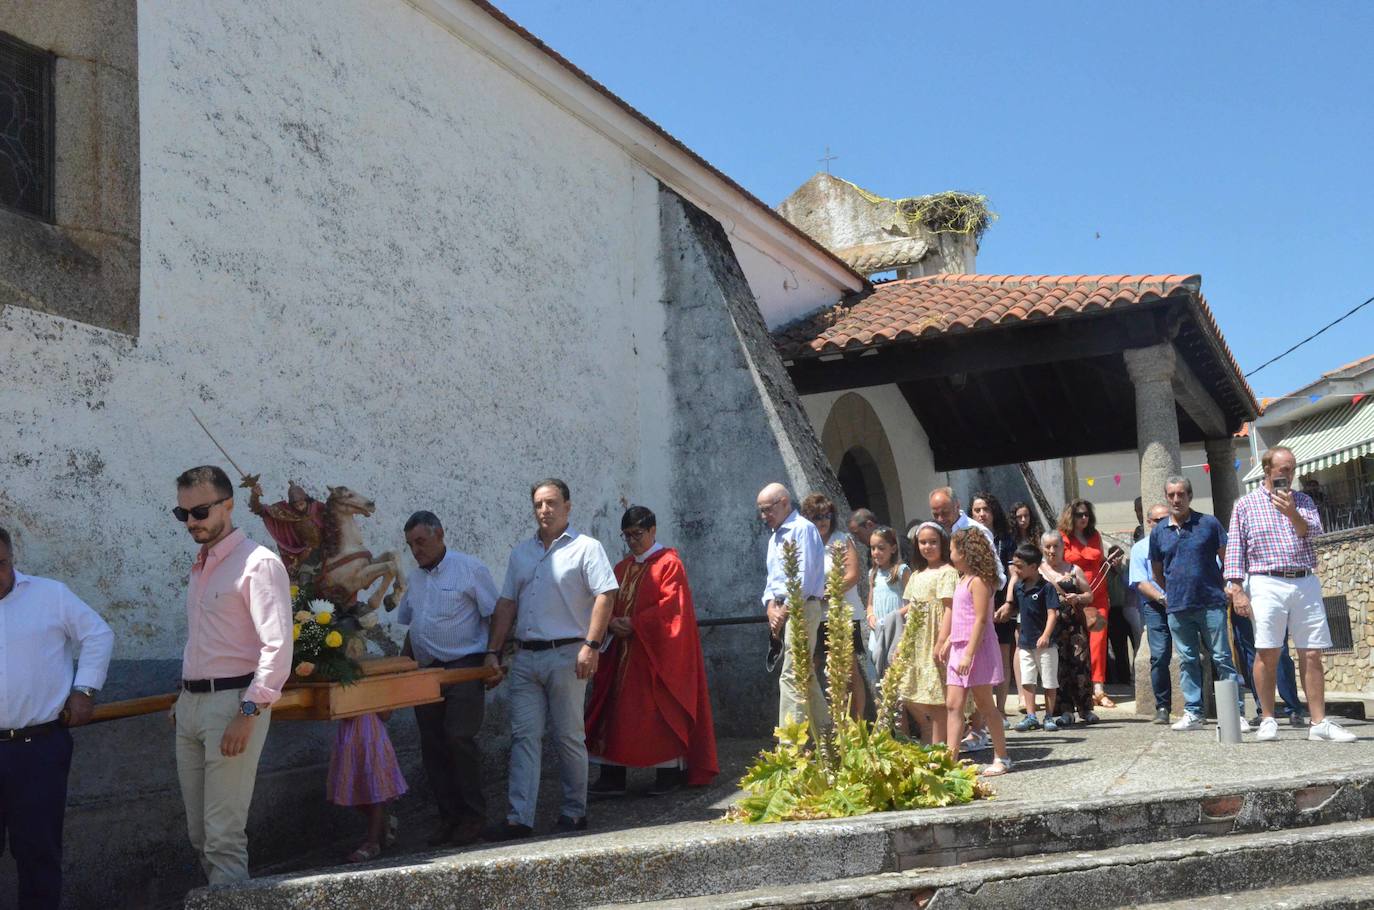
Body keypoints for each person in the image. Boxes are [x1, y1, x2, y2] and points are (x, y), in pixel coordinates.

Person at [172, 465, 293, 884]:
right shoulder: (202, 563)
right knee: (199, 835)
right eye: (182, 514)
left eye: (200, 511)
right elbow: (207, 639)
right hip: (191, 707)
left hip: (233, 705)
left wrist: (248, 711)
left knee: (223, 837)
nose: (191, 522)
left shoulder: (259, 564)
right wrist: (183, 698)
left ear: (229, 504)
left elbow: (277, 648)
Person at [482, 479, 618, 839]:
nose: (545, 510)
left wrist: (592, 644)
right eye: (539, 504)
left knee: (569, 736)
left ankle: (575, 811)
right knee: (524, 736)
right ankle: (519, 818)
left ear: (568, 507)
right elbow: (507, 603)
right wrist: (492, 652)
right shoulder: (521, 554)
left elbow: (606, 594)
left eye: (552, 503)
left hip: (568, 653)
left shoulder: (587, 548)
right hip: (526, 657)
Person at [0, 526, 114, 909]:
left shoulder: (50, 595)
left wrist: (84, 690)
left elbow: (98, 634)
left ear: (12, 560)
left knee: (38, 855)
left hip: (38, 749)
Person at [586, 506, 719, 796]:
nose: (633, 540)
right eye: (627, 535)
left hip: (656, 657)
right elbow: (606, 601)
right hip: (621, 656)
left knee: (658, 711)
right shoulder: (621, 568)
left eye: (638, 533)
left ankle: (668, 774)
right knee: (615, 713)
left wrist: (634, 623)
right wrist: (610, 623)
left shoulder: (669, 564)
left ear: (653, 530)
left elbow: (672, 610)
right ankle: (612, 775)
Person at [1226, 447, 1356, 743]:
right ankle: (1269, 718)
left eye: (1292, 468)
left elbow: (1313, 535)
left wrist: (1292, 512)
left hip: (1304, 579)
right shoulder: (1245, 505)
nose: (1289, 474)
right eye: (1283, 469)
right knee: (1268, 650)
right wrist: (1236, 590)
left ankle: (1319, 722)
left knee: (1312, 651)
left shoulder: (1304, 501)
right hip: (1265, 581)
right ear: (1267, 470)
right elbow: (1235, 551)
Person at [394, 510, 498, 847]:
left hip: (464, 667)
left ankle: (473, 816)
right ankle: (448, 818)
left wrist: (495, 656)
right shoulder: (416, 578)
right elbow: (414, 628)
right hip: (427, 673)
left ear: (440, 534)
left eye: (421, 541)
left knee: (458, 738)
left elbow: (494, 614)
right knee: (432, 747)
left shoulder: (469, 568)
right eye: (411, 544)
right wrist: (401, 670)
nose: (416, 550)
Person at [1149, 476, 1244, 733]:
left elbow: (1227, 558)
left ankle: (1236, 713)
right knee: (1187, 660)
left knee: (1222, 657)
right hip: (1178, 607)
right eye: (1171, 495)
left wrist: (1228, 586)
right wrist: (1174, 591)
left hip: (1211, 602)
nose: (1176, 499)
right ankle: (1193, 712)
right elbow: (1158, 571)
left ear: (1190, 496)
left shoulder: (1209, 523)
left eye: (1181, 494)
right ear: (1166, 498)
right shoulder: (1158, 532)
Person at [758, 483, 828, 731]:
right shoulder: (775, 536)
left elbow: (804, 578)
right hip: (783, 609)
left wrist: (784, 610)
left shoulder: (803, 529)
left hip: (801, 608)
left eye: (768, 509)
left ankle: (790, 743)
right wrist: (770, 607)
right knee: (804, 674)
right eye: (761, 511)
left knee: (792, 675)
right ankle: (826, 734)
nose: (764, 516)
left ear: (785, 502)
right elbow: (772, 580)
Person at [942, 529, 1011, 776]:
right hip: (960, 647)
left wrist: (969, 654)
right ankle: (950, 759)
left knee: (984, 704)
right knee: (953, 704)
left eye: (952, 549)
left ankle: (1002, 756)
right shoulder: (962, 579)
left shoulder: (979, 581)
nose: (949, 553)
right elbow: (963, 616)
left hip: (976, 649)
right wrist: (950, 639)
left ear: (965, 552)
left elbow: (981, 620)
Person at [800, 492, 870, 720]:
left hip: (842, 613)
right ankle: (826, 722)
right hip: (815, 616)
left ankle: (856, 722)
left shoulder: (841, 540)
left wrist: (826, 593)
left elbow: (852, 575)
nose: (822, 521)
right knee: (814, 667)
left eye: (826, 515)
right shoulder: (805, 543)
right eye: (816, 516)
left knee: (848, 670)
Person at [898, 522, 956, 744]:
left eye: (933, 542)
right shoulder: (917, 574)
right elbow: (912, 611)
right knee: (913, 692)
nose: (928, 546)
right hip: (918, 639)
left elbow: (949, 608)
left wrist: (941, 640)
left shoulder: (947, 572)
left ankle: (940, 745)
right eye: (923, 542)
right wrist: (903, 642)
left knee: (937, 697)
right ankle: (929, 734)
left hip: (936, 636)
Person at [1058, 500, 1118, 708]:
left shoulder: (1095, 535)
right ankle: (1078, 689)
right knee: (1075, 642)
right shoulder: (1063, 537)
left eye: (1086, 514)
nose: (1084, 518)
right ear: (1070, 516)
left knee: (1098, 640)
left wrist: (1111, 562)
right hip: (1074, 596)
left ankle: (1098, 687)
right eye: (1079, 515)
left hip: (1098, 595)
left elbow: (1100, 561)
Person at [327, 710, 407, 863]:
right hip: (349, 737)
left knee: (375, 789)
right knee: (353, 789)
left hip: (372, 736)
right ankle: (384, 821)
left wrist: (371, 699)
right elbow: (344, 712)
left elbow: (386, 715)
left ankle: (372, 842)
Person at [1039, 531, 1097, 725]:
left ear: (1063, 547)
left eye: (1056, 546)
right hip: (1051, 627)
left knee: (1080, 665)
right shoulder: (1038, 571)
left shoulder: (1074, 569)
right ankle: (1064, 710)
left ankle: (1086, 708)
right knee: (1057, 669)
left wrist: (1078, 597)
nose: (1051, 550)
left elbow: (1089, 595)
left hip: (1074, 627)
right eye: (1047, 546)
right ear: (1042, 548)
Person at [971, 492, 1016, 723]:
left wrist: (1008, 602)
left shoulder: (1005, 539)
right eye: (977, 510)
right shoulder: (969, 538)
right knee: (980, 656)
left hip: (1000, 602)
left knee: (1003, 655)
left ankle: (1000, 709)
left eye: (985, 509)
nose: (981, 514)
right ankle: (981, 712)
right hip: (976, 603)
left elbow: (1013, 573)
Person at [1006, 543, 1060, 733]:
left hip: (1045, 644)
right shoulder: (1019, 587)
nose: (1016, 570)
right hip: (1025, 642)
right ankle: (1030, 716)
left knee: (1048, 680)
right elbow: (1013, 608)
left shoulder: (1046, 588)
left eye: (1020, 566)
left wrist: (1046, 635)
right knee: (1027, 680)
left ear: (1034, 566)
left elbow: (1053, 614)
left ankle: (1049, 716)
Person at [1130, 504, 1174, 724]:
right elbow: (1140, 582)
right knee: (1158, 656)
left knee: (1190, 655)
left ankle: (1197, 706)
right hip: (1155, 606)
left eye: (1166, 519)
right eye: (1157, 520)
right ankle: (1163, 706)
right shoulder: (1140, 548)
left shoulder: (1179, 540)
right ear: (1149, 523)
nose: (1162, 524)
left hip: (1182, 604)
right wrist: (1162, 598)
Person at [865, 526, 909, 678]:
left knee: (896, 668)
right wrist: (870, 615)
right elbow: (870, 603)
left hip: (896, 627)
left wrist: (895, 616)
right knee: (877, 669)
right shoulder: (873, 573)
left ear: (893, 548)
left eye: (881, 548)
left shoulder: (902, 571)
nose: (876, 552)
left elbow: (913, 602)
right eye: (873, 548)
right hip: (877, 629)